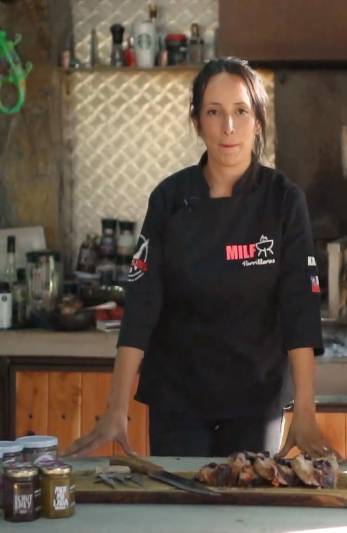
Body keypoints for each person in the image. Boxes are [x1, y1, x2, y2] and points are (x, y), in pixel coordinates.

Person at [66, 57, 331, 458]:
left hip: (255, 400)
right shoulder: (169, 199)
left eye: (241, 112)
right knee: (182, 511)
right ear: (197, 122)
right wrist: (115, 409)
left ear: (258, 121)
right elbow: (141, 305)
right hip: (178, 398)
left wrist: (306, 412)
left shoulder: (283, 200)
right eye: (214, 112)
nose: (228, 127)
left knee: (245, 507)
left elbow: (300, 310)